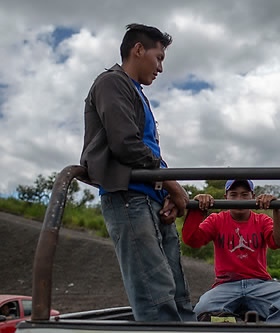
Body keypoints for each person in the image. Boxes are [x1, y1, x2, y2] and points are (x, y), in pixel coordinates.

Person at [80, 23, 195, 322]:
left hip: (151, 198)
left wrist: (166, 190)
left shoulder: (136, 92)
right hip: (128, 198)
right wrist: (173, 186)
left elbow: (148, 152)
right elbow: (125, 145)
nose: (160, 68)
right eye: (158, 58)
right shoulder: (112, 82)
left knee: (176, 292)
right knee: (155, 294)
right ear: (138, 49)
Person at [182, 179, 280, 323]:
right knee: (202, 308)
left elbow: (279, 242)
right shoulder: (217, 220)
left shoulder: (262, 220)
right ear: (226, 198)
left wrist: (276, 209)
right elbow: (192, 240)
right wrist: (197, 208)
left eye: (244, 195)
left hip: (259, 283)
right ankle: (233, 323)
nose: (239, 200)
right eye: (234, 195)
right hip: (226, 285)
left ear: (253, 196)